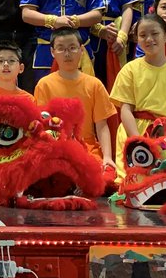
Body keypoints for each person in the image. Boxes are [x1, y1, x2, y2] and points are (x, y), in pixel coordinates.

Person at [110, 15, 166, 145]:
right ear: (137, 39)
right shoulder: (129, 70)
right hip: (135, 134)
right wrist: (138, 141)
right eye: (143, 35)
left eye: (155, 34)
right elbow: (126, 110)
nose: (149, 39)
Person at [33, 28, 115, 175]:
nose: (67, 54)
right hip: (56, 148)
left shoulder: (94, 84)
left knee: (102, 177)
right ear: (52, 52)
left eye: (72, 48)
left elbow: (102, 125)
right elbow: (43, 126)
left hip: (88, 148)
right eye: (61, 49)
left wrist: (107, 157)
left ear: (81, 50)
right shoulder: (44, 85)